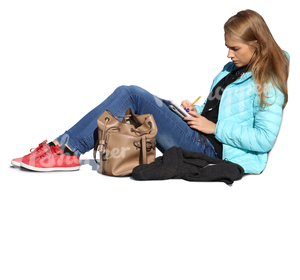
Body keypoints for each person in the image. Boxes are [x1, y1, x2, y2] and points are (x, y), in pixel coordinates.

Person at [11, 9, 289, 175]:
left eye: (235, 48)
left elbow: (263, 140)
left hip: (213, 150)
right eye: (227, 46)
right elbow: (220, 106)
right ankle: (61, 148)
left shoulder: (269, 82)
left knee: (132, 94)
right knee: (138, 97)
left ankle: (65, 150)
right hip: (202, 134)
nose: (228, 54)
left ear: (256, 43)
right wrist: (195, 111)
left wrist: (212, 127)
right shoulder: (233, 69)